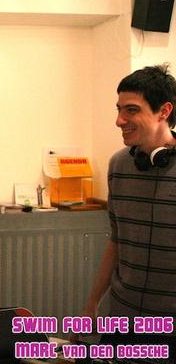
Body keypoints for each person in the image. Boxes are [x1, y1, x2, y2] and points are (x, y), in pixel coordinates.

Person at [74, 65, 176, 360]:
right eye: (119, 109)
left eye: (131, 110)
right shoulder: (118, 165)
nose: (119, 120)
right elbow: (118, 241)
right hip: (122, 320)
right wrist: (92, 304)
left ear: (164, 111)